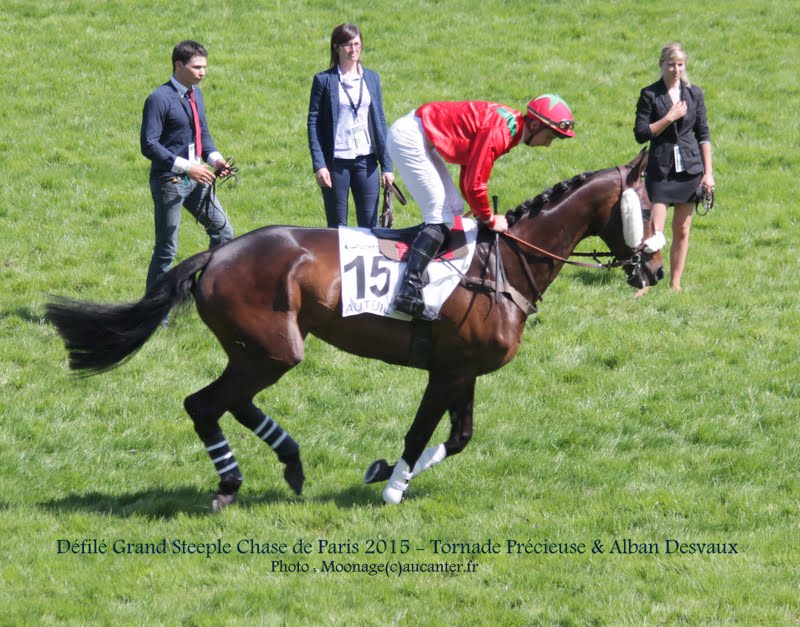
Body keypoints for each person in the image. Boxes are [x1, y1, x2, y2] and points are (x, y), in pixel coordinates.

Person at [386, 95, 575, 319]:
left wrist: (480, 210)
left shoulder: (509, 128)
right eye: (550, 136)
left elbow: (469, 174)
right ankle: (407, 292)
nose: (548, 143)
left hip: (421, 135)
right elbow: (476, 184)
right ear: (534, 125)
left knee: (454, 207)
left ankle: (433, 273)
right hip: (409, 137)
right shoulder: (501, 132)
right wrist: (489, 219)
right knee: (439, 212)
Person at [141, 40, 234, 294]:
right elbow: (149, 144)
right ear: (178, 65)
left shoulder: (196, 94)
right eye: (197, 67)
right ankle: (155, 309)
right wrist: (187, 167)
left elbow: (202, 134)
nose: (202, 72)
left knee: (224, 233)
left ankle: (209, 294)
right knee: (167, 249)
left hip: (197, 179)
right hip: (170, 182)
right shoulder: (159, 99)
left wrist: (216, 160)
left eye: (204, 66)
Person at [634, 42, 714, 293]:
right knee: (653, 231)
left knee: (682, 229)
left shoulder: (694, 94)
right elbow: (641, 134)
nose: (676, 69)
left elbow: (703, 134)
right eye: (671, 64)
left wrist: (708, 173)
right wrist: (668, 118)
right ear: (661, 65)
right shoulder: (650, 94)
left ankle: (675, 284)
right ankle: (645, 282)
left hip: (690, 170)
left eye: (680, 64)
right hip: (660, 169)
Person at [307, 23, 394, 228]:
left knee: (371, 225)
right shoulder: (324, 80)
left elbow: (380, 121)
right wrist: (319, 164)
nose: (353, 49)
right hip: (336, 162)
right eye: (347, 44)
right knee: (337, 228)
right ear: (336, 47)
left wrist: (387, 166)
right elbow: (313, 124)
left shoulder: (372, 78)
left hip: (367, 160)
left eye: (356, 44)